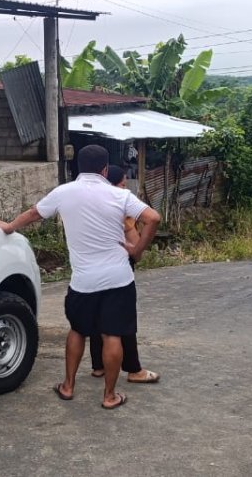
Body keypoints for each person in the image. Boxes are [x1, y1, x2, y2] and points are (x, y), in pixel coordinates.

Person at [0, 145, 161, 410]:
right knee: (112, 335)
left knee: (77, 331)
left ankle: (68, 386)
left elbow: (34, 213)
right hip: (118, 278)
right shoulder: (120, 195)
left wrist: (9, 226)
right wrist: (137, 250)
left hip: (83, 281)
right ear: (105, 169)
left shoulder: (64, 192)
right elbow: (153, 217)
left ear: (77, 168)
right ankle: (109, 396)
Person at [89, 165, 160, 385]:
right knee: (124, 320)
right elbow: (136, 249)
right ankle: (134, 369)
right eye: (121, 184)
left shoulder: (89, 206)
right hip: (118, 270)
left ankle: (99, 366)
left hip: (91, 268)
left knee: (96, 317)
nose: (124, 189)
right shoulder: (121, 207)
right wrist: (133, 237)